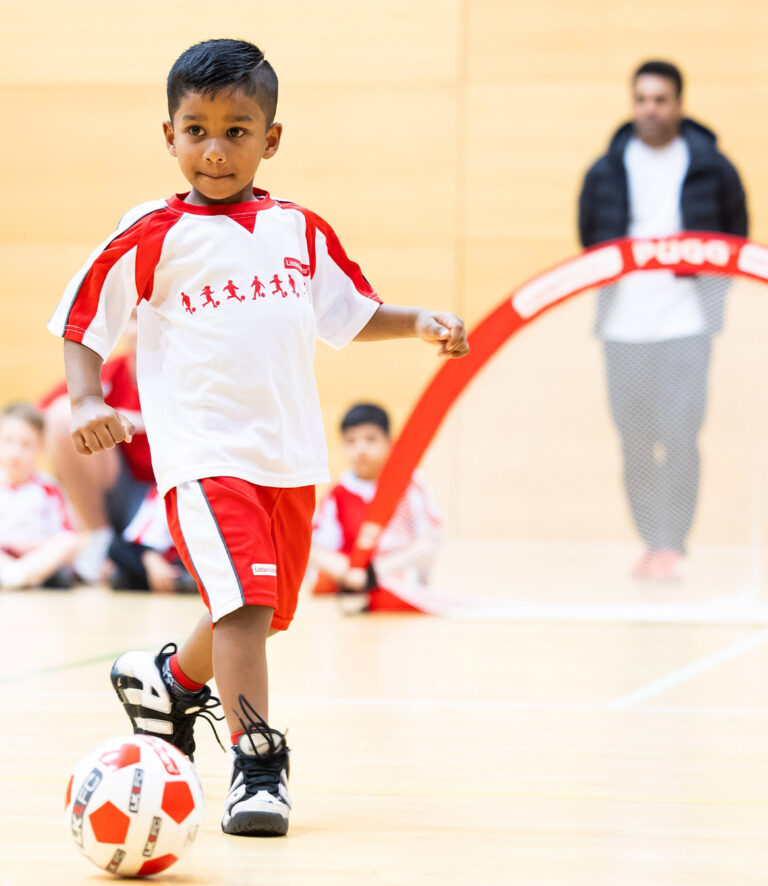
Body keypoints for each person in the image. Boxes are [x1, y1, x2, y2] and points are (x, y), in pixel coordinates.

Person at [48, 38, 469, 839]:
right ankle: (257, 764)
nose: (214, 148)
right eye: (195, 128)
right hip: (204, 456)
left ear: (270, 138)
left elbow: (349, 314)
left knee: (265, 614)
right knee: (243, 605)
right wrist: (83, 398)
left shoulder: (299, 230)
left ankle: (167, 681)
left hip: (289, 457)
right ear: (167, 135)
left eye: (236, 130)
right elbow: (81, 319)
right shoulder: (152, 232)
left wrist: (420, 322)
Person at [578, 60, 748, 581]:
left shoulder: (712, 166)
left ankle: (673, 544)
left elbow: (734, 236)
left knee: (679, 436)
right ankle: (651, 541)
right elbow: (588, 237)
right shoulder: (605, 169)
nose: (650, 109)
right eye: (641, 99)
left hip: (686, 327)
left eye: (661, 99)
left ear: (679, 104)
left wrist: (711, 301)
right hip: (622, 330)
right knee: (633, 440)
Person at [41, 314, 153, 582]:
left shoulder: (193, 378)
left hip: (170, 496)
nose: (143, 330)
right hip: (120, 493)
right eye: (136, 320)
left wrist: (138, 422)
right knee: (64, 415)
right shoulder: (107, 376)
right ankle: (97, 538)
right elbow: (38, 417)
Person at [310, 403, 442, 612]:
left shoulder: (411, 484)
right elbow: (317, 549)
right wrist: (350, 573)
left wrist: (376, 571)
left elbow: (429, 542)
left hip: (401, 590)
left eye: (371, 440)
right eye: (351, 441)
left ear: (390, 443)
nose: (361, 449)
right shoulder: (338, 494)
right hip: (352, 593)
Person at [0, 403, 80, 589]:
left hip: (37, 558)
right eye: (8, 442)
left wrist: (33, 545)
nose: (15, 453)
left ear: (41, 446)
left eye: (26, 444)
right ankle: (16, 576)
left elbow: (66, 535)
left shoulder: (49, 488)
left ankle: (16, 576)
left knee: (68, 543)